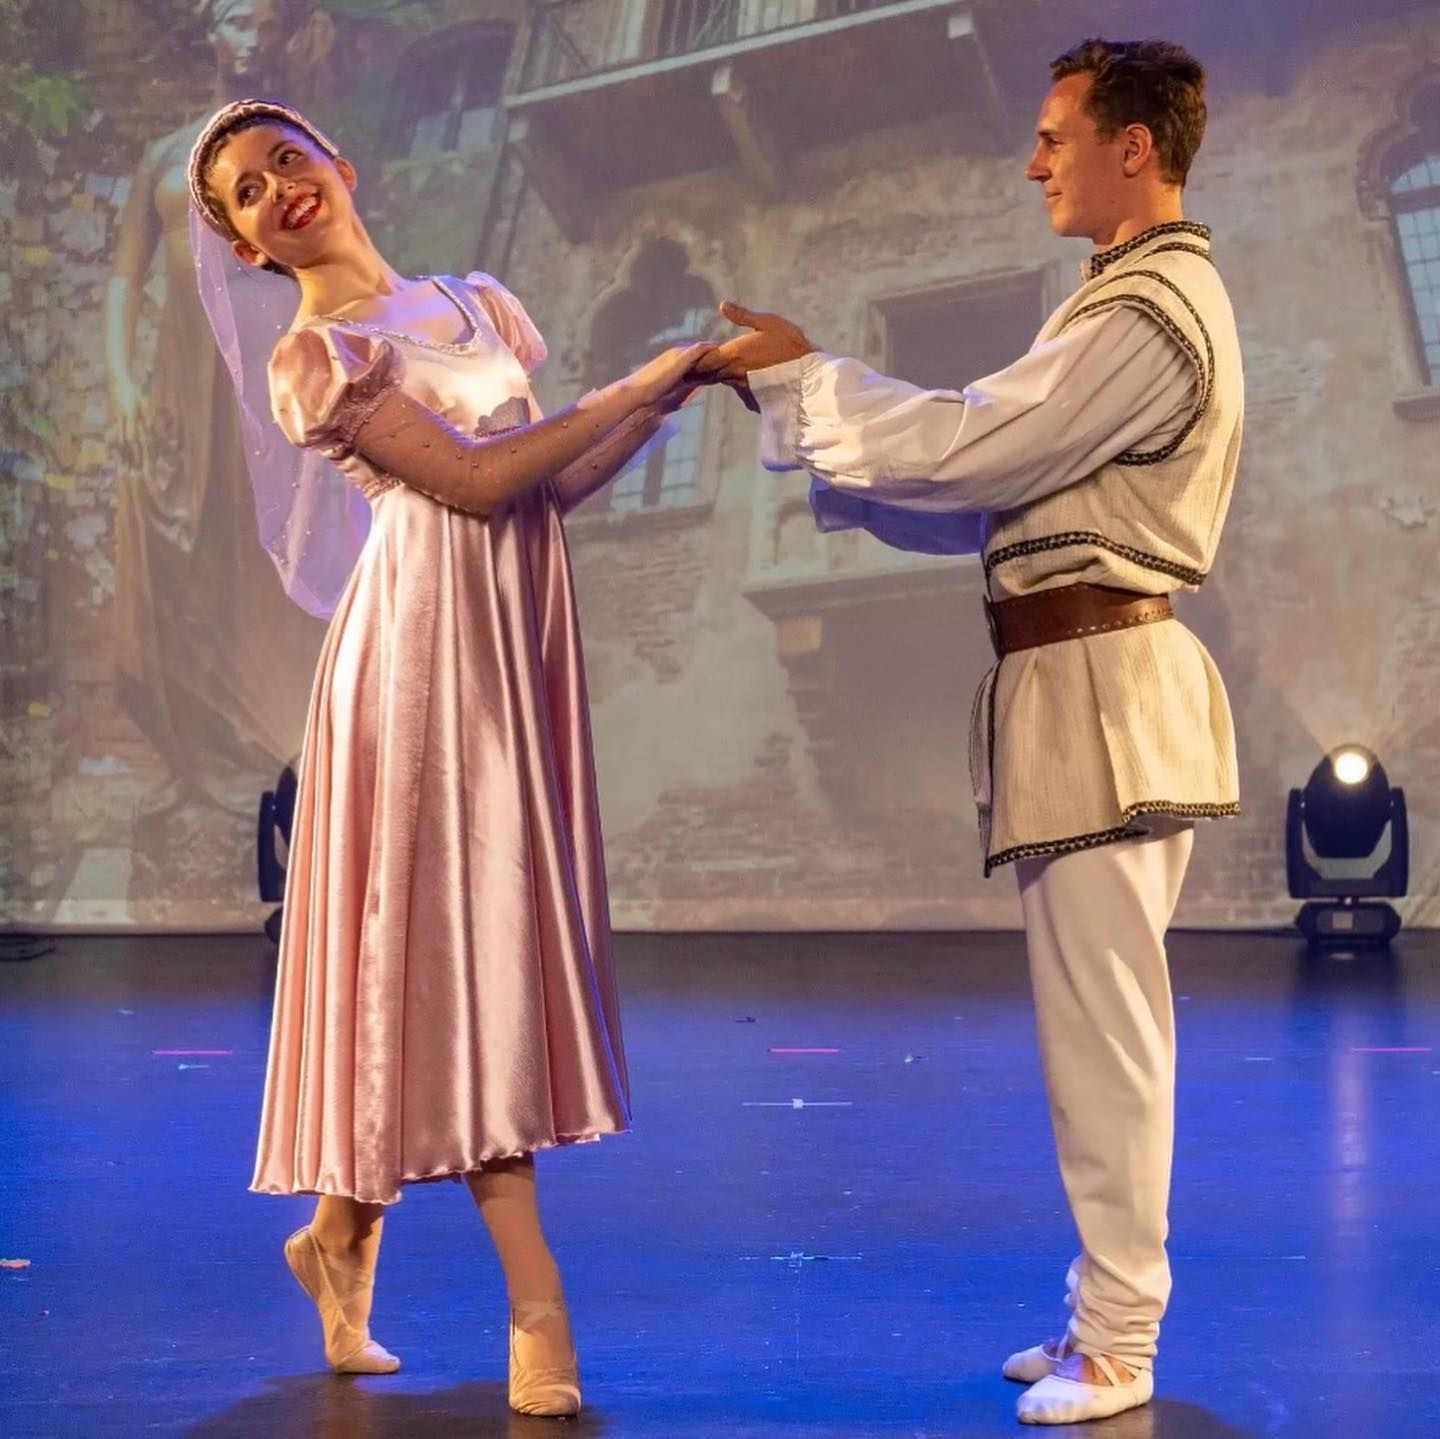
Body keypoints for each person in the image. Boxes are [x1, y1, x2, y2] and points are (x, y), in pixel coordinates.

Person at [698, 38, 1243, 1427]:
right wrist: (811, 417)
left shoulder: (1154, 307)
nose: (1033, 158)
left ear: (1137, 146)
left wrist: (812, 377)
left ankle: (1119, 1343)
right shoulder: (1117, 301)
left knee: (1108, 1031)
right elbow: (979, 495)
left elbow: (968, 448)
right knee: (1095, 1026)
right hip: (1081, 683)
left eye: (1058, 134)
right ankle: (1097, 1316)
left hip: (1107, 684)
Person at [186, 96, 712, 1416]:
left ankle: (340, 1234)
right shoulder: (314, 359)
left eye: (287, 158)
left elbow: (549, 486)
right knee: (450, 951)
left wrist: (668, 403)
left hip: (508, 644)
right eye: (246, 192)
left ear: (341, 163)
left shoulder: (478, 303)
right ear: (246, 248)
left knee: (426, 953)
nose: (278, 188)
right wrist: (645, 376)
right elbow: (473, 482)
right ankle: (537, 1301)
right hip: (414, 664)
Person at [105, 0, 326, 840]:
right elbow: (127, 276)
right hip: (172, 385)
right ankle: (185, 757)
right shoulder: (162, 156)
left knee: (246, 560)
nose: (251, 35)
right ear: (212, 34)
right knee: (162, 557)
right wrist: (123, 380)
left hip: (257, 381)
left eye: (264, 23)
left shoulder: (291, 149)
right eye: (236, 18)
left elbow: (325, 275)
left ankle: (250, 760)